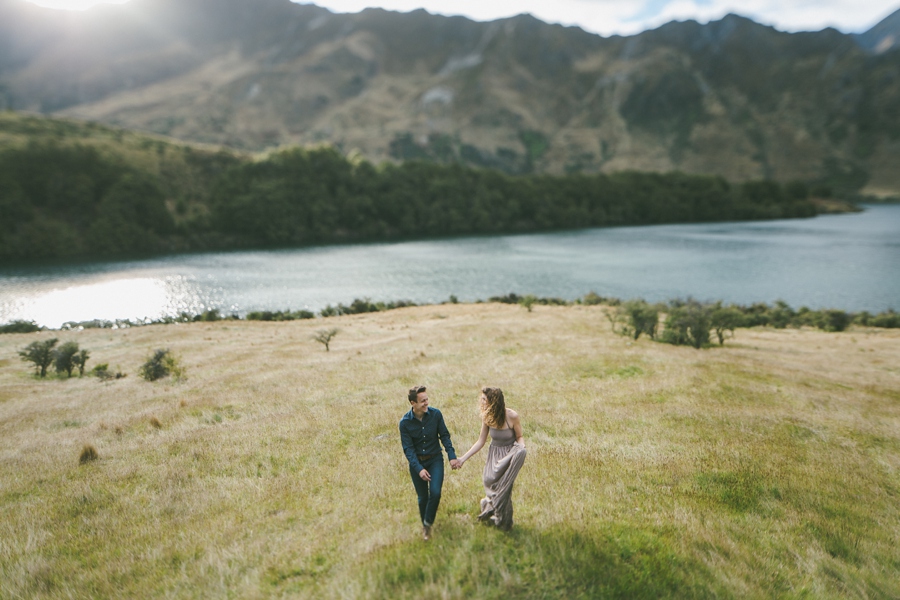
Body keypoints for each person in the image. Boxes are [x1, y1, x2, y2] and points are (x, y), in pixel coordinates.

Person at [456, 386, 527, 531]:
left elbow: (519, 437)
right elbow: (481, 441)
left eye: (484, 399)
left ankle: (503, 522)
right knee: (488, 481)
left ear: (493, 402)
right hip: (494, 455)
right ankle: (489, 507)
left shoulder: (512, 416)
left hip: (509, 455)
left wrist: (522, 448)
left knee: (504, 488)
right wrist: (463, 459)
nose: (481, 402)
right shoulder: (487, 417)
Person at [399, 384, 460, 541]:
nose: (426, 403)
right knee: (422, 498)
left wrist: (451, 456)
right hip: (417, 464)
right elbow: (408, 450)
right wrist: (419, 469)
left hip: (435, 460)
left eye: (427, 399)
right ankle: (426, 528)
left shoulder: (436, 415)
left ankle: (427, 523)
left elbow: (444, 436)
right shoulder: (405, 423)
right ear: (413, 403)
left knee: (435, 492)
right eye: (422, 401)